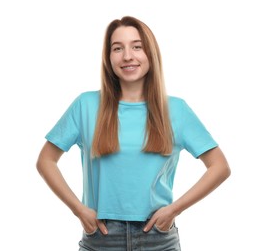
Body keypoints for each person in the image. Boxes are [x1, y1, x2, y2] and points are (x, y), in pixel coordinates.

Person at [36, 16, 231, 251]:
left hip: (158, 238)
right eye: (117, 48)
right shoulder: (86, 105)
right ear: (108, 58)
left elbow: (219, 167)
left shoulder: (176, 110)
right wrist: (78, 209)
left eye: (137, 46)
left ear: (150, 53)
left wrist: (174, 209)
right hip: (102, 238)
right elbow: (46, 160)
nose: (127, 56)